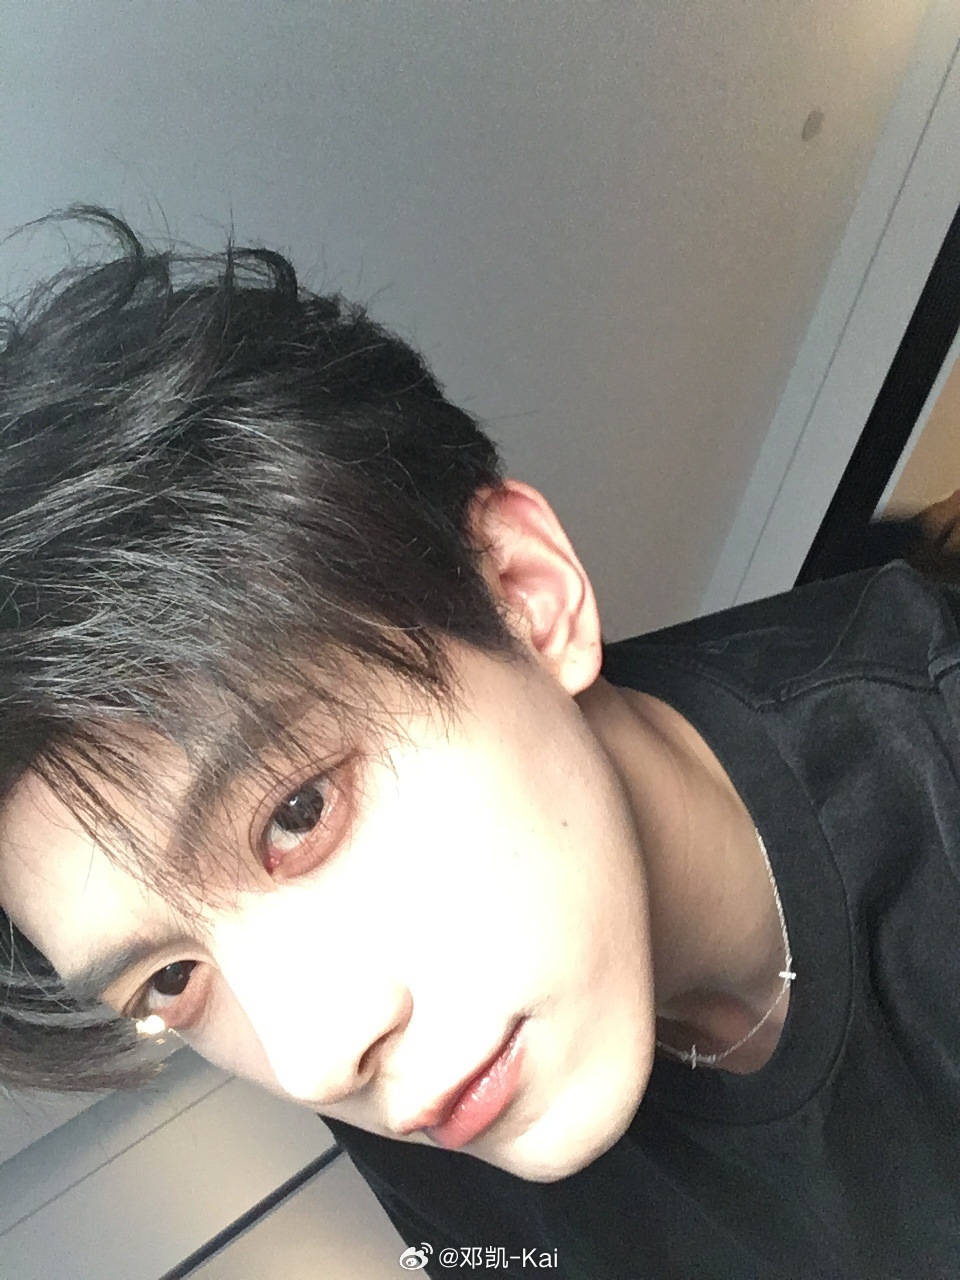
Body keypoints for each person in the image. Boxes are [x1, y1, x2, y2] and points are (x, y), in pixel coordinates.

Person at [0, 208, 957, 1280]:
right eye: (170, 979)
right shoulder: (434, 1064)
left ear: (527, 595)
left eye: (298, 812)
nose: (315, 1060)